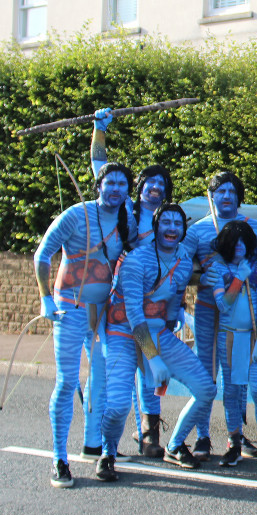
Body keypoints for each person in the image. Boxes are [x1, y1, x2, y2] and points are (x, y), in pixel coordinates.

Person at [35, 161, 137, 488]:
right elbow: (42, 255)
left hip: (104, 309)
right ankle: (59, 459)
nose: (116, 188)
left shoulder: (128, 220)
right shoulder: (76, 215)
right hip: (70, 306)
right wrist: (45, 298)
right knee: (67, 381)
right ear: (99, 184)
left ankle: (99, 447)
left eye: (123, 183)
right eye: (111, 182)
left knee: (104, 379)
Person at [98, 204, 211, 479]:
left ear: (183, 230)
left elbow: (174, 300)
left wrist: (174, 324)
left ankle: (174, 445)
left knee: (206, 389)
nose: (171, 228)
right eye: (166, 223)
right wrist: (154, 358)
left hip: (160, 333)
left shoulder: (184, 261)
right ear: (156, 227)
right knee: (117, 406)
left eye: (177, 223)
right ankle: (107, 453)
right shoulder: (137, 260)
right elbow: (134, 313)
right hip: (123, 334)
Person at [91, 106, 173, 458]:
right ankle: (106, 443)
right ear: (139, 188)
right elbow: (101, 167)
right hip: (123, 305)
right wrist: (100, 129)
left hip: (155, 306)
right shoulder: (125, 210)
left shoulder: (170, 221)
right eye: (149, 182)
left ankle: (149, 433)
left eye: (162, 184)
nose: (155, 187)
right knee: (124, 370)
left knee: (151, 370)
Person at [181, 171, 257, 461]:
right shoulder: (197, 231)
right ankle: (202, 436)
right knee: (207, 374)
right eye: (220, 191)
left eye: (232, 191)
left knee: (237, 376)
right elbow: (183, 268)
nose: (227, 196)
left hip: (242, 313)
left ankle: (237, 435)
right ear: (212, 196)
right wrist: (203, 276)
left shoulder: (255, 228)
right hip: (209, 309)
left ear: (239, 196)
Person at [208, 221, 257, 470]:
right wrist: (239, 278)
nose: (239, 247)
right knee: (232, 392)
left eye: (243, 242)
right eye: (234, 242)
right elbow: (223, 305)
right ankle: (234, 442)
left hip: (252, 337)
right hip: (229, 338)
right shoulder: (217, 269)